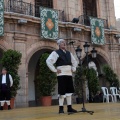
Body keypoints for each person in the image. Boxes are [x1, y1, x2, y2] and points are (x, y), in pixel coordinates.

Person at [46, 39, 78, 113]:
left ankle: (69, 107)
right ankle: (61, 109)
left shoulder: (69, 53)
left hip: (69, 73)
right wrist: (54, 70)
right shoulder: (55, 53)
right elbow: (48, 61)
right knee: (62, 91)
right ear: (59, 44)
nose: (64, 44)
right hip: (61, 74)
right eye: (62, 43)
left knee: (69, 91)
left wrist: (73, 68)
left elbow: (74, 62)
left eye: (64, 42)